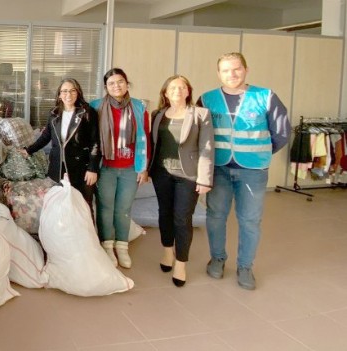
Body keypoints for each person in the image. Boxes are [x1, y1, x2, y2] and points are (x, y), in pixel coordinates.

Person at [197, 52, 290, 290]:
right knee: (216, 216)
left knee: (250, 220)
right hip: (218, 168)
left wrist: (260, 153)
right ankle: (217, 258)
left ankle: (245, 266)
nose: (232, 74)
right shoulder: (207, 99)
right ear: (218, 73)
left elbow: (281, 132)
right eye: (226, 70)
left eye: (236, 69)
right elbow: (197, 134)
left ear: (246, 69)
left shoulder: (265, 97)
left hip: (253, 170)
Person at [149, 75, 214, 287]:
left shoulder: (200, 114)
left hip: (188, 175)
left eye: (182, 87)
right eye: (172, 87)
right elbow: (151, 144)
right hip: (161, 173)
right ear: (165, 93)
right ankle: (168, 251)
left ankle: (181, 263)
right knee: (164, 214)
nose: (177, 90)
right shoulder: (157, 114)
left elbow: (207, 148)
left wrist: (205, 179)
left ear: (188, 91)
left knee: (182, 218)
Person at [90, 68, 150, 269]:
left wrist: (143, 168)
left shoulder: (139, 106)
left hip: (130, 168)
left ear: (127, 83)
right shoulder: (96, 106)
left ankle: (122, 246)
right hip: (105, 167)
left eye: (120, 81)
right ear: (106, 87)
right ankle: (107, 246)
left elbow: (145, 138)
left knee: (124, 209)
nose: (117, 86)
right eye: (112, 83)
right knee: (105, 208)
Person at [19, 78, 100, 213]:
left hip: (82, 168)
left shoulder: (87, 112)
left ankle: (84, 234)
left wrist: (93, 168)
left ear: (78, 92)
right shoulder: (54, 113)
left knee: (84, 206)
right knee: (62, 206)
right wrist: (29, 150)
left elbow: (95, 142)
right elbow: (46, 136)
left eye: (72, 91)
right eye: (64, 91)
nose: (68, 95)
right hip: (60, 168)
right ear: (59, 94)